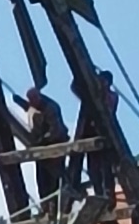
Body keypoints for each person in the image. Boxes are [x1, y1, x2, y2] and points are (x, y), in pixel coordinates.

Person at [13, 88, 69, 216]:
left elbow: (55, 130)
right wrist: (19, 101)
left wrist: (42, 140)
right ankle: (45, 207)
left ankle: (53, 208)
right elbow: (31, 109)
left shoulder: (51, 108)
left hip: (55, 147)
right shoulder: (36, 106)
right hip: (42, 149)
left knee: (53, 180)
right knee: (41, 180)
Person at [72, 70, 118, 209]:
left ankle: (108, 195)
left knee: (105, 169)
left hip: (103, 137)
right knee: (94, 169)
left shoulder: (110, 96)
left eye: (103, 81)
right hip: (92, 136)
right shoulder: (91, 94)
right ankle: (99, 193)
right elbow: (75, 87)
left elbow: (107, 108)